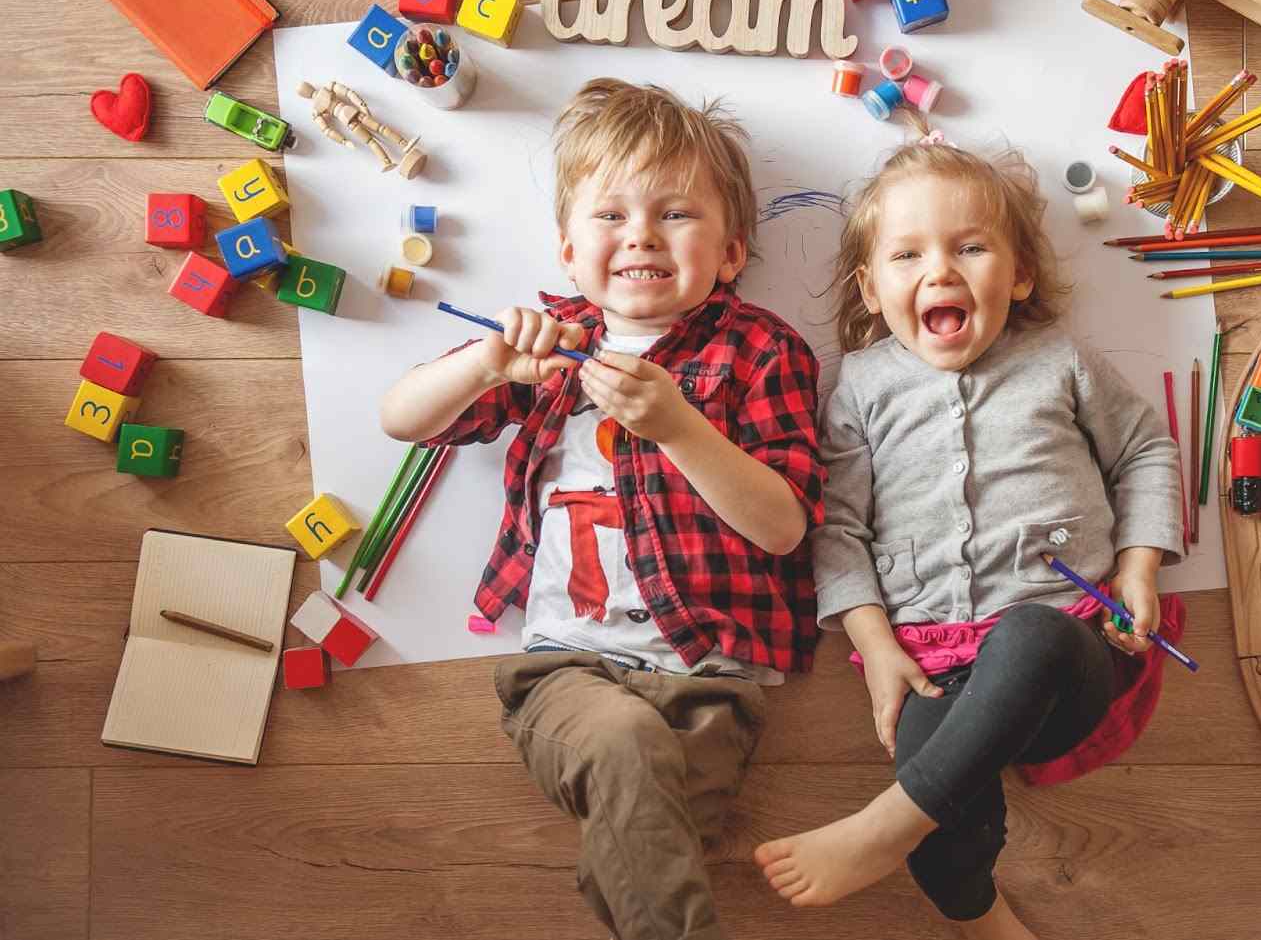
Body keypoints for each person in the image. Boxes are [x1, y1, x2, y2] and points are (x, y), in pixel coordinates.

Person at [380, 78, 825, 940]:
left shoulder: (762, 349)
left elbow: (783, 526)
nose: (642, 236)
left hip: (712, 684)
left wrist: (679, 427)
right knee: (622, 751)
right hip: (566, 671)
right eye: (610, 216)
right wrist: (484, 365)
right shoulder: (545, 340)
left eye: (676, 215)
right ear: (567, 248)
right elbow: (401, 418)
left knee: (641, 862)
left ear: (732, 253)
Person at [755, 137, 1186, 939]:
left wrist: (1138, 565)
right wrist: (876, 644)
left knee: (1030, 635)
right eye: (907, 254)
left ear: (1018, 274)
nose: (940, 271)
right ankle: (983, 915)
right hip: (934, 660)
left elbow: (1147, 448)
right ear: (873, 288)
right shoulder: (859, 386)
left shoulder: (1058, 359)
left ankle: (887, 820)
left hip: (1070, 647)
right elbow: (838, 527)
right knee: (937, 812)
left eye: (971, 247)